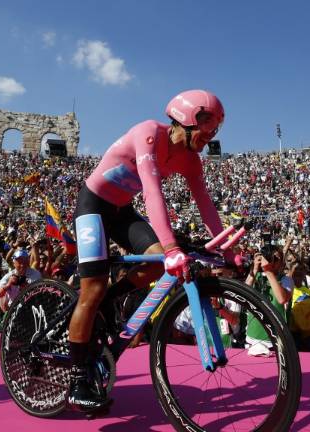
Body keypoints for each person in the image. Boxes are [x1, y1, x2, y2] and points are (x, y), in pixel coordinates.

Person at [66, 90, 232, 411]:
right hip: (93, 205)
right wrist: (171, 248)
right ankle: (78, 379)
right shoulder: (149, 134)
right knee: (94, 287)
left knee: (156, 264)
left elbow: (206, 206)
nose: (210, 137)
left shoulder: (191, 159)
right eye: (206, 129)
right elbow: (152, 193)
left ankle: (109, 301)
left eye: (214, 131)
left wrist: (228, 249)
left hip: (122, 210)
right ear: (184, 121)